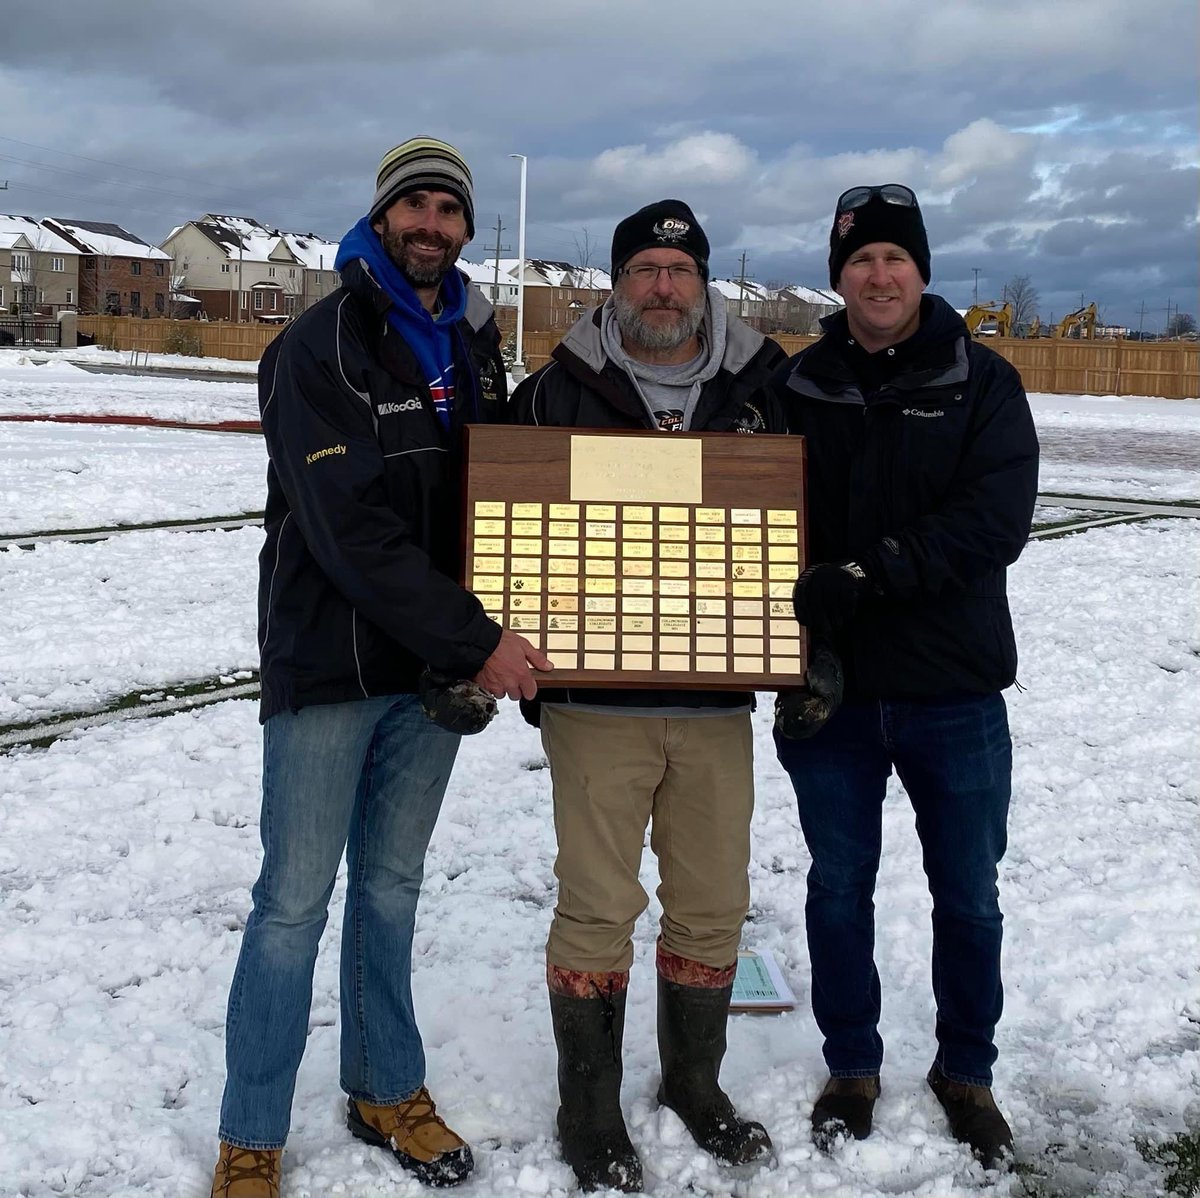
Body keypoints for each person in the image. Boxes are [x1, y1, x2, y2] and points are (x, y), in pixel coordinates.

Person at [210, 137, 551, 1198]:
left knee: (393, 889)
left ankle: (382, 1086)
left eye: (451, 208)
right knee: (292, 905)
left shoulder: (473, 343)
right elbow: (347, 528)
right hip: (330, 664)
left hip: (428, 675)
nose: (433, 223)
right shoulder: (321, 345)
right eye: (416, 204)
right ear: (383, 215)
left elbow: (498, 495)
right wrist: (479, 640)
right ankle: (251, 1136)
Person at [509, 200, 786, 1192]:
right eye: (644, 269)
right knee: (595, 903)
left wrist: (811, 643)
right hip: (596, 703)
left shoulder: (765, 389)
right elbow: (503, 531)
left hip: (717, 700)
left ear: (703, 282)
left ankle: (692, 1084)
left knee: (712, 902)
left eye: (679, 268)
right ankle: (587, 1102)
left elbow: (809, 524)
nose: (662, 286)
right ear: (615, 283)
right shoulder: (552, 394)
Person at [771, 183, 1039, 1172]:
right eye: (859, 261)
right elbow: (752, 508)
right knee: (838, 886)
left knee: (967, 892)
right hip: (832, 694)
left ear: (921, 270)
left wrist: (870, 570)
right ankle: (852, 1065)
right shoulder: (800, 385)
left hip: (954, 693)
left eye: (895, 258)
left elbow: (992, 522)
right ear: (836, 276)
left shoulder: (983, 380)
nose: (878, 275)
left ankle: (966, 1071)